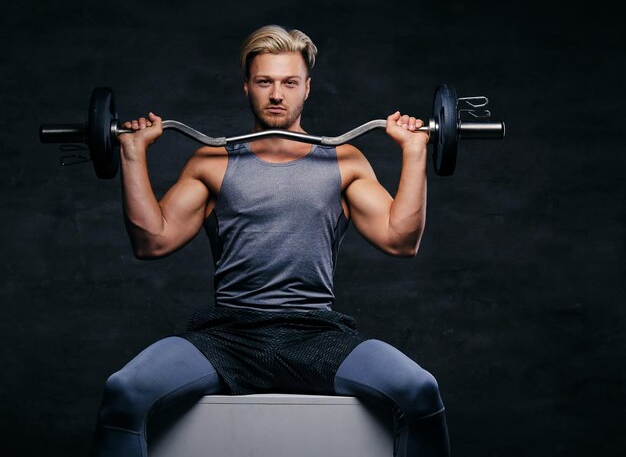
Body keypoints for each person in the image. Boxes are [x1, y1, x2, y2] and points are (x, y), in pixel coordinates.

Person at [91, 25, 450, 457]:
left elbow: (401, 239)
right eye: (265, 82)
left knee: (419, 391)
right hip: (227, 336)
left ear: (307, 88)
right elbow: (152, 242)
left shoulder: (345, 160)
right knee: (125, 391)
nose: (276, 94)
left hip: (316, 334)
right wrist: (132, 155)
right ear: (247, 86)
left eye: (289, 82)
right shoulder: (211, 160)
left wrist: (414, 153)